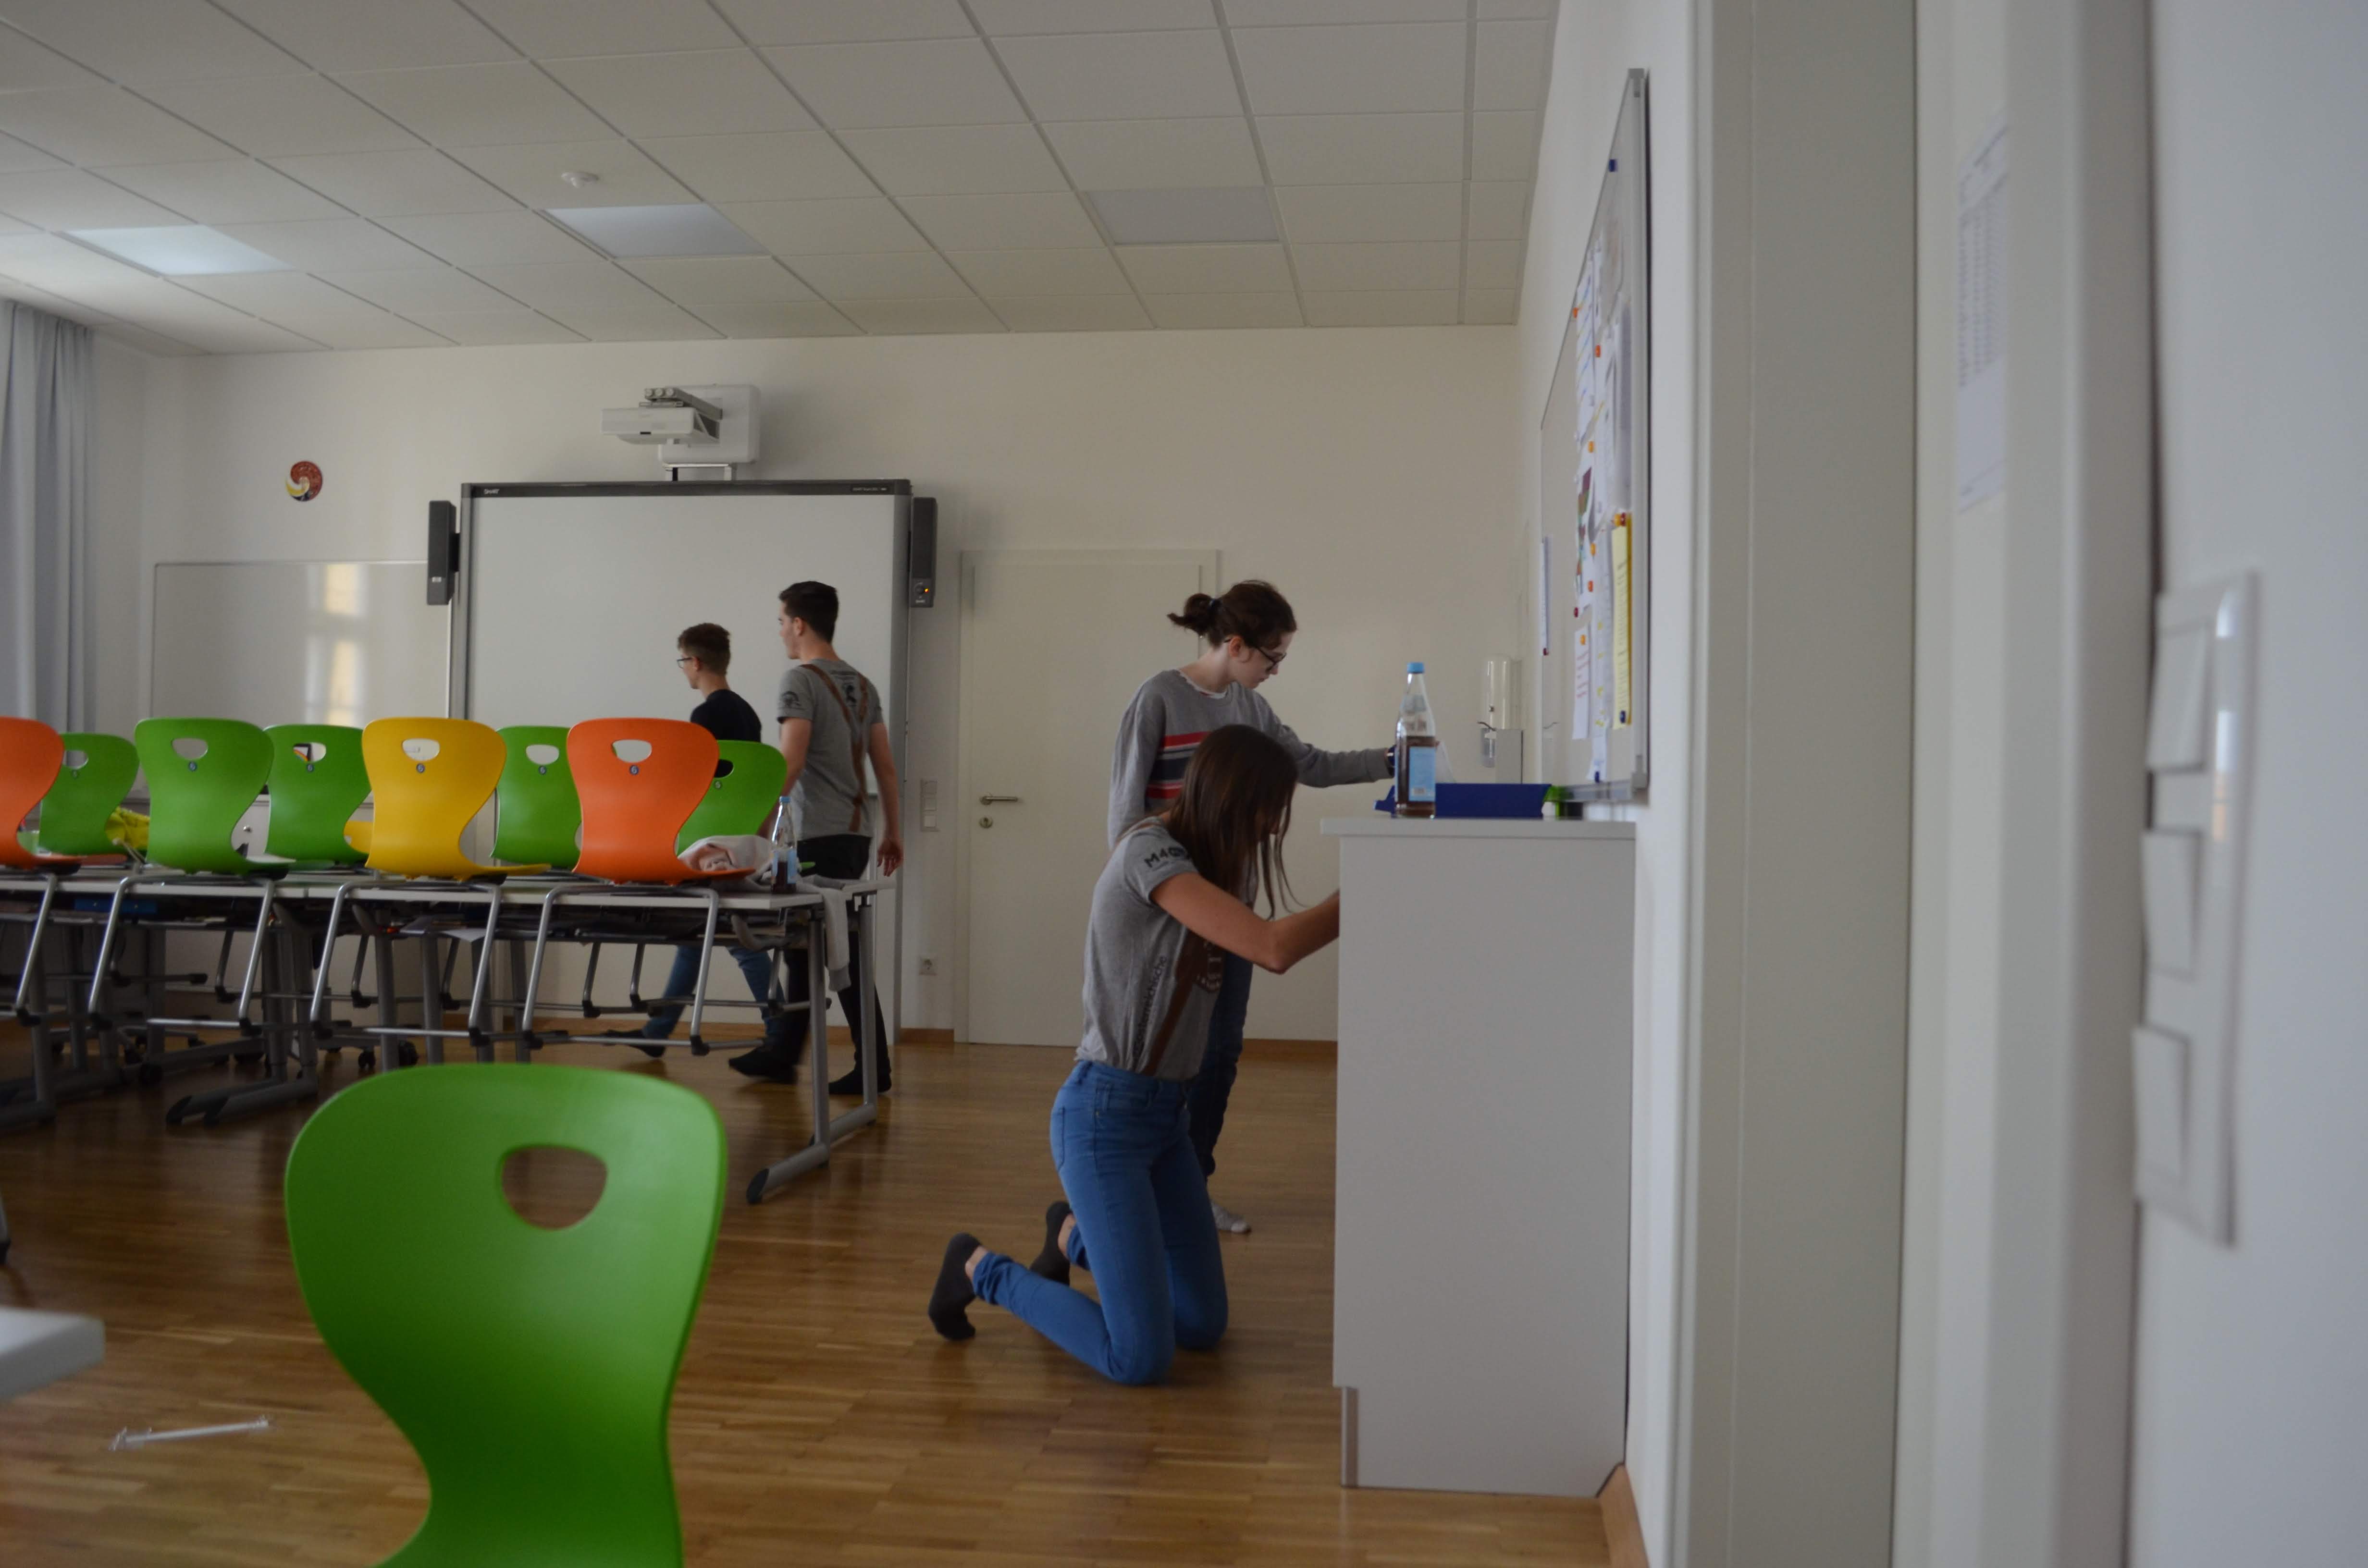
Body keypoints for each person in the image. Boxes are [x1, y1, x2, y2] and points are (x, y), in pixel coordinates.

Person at [928, 725, 1340, 1383]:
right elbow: (1272, 948)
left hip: (1166, 1122)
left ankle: (1070, 1235)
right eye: (1268, 811)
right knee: (1139, 1358)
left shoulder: (1208, 864)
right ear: (1232, 798)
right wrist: (1368, 887)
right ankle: (979, 1269)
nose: (1271, 829)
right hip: (1105, 1119)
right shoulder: (1150, 854)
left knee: (1200, 1324)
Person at [1107, 580, 1391, 1233]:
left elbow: (1311, 764)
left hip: (1233, 908)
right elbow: (1124, 823)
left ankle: (1190, 1187)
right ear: (1234, 645)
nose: (1275, 670)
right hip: (1173, 912)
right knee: (1165, 1054)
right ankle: (1136, 1193)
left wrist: (1391, 759)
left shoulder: (1251, 709)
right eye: (1272, 657)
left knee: (1218, 1054)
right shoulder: (1157, 699)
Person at [725, 581, 904, 1090]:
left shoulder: (799, 681)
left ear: (799, 624)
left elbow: (791, 760)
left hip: (817, 836)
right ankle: (786, 1054)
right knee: (813, 947)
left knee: (833, 949)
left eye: (782, 621)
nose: (781, 631)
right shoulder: (864, 686)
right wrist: (892, 832)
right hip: (855, 835)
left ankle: (867, 1066)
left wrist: (758, 830)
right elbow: (885, 767)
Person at [608, 624, 786, 1059]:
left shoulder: (705, 717)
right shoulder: (748, 714)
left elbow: (696, 785)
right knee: (697, 937)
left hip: (710, 843)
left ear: (696, 662)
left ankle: (781, 1031)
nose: (684, 670)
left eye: (683, 662)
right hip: (739, 838)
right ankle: (658, 1031)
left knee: (737, 940)